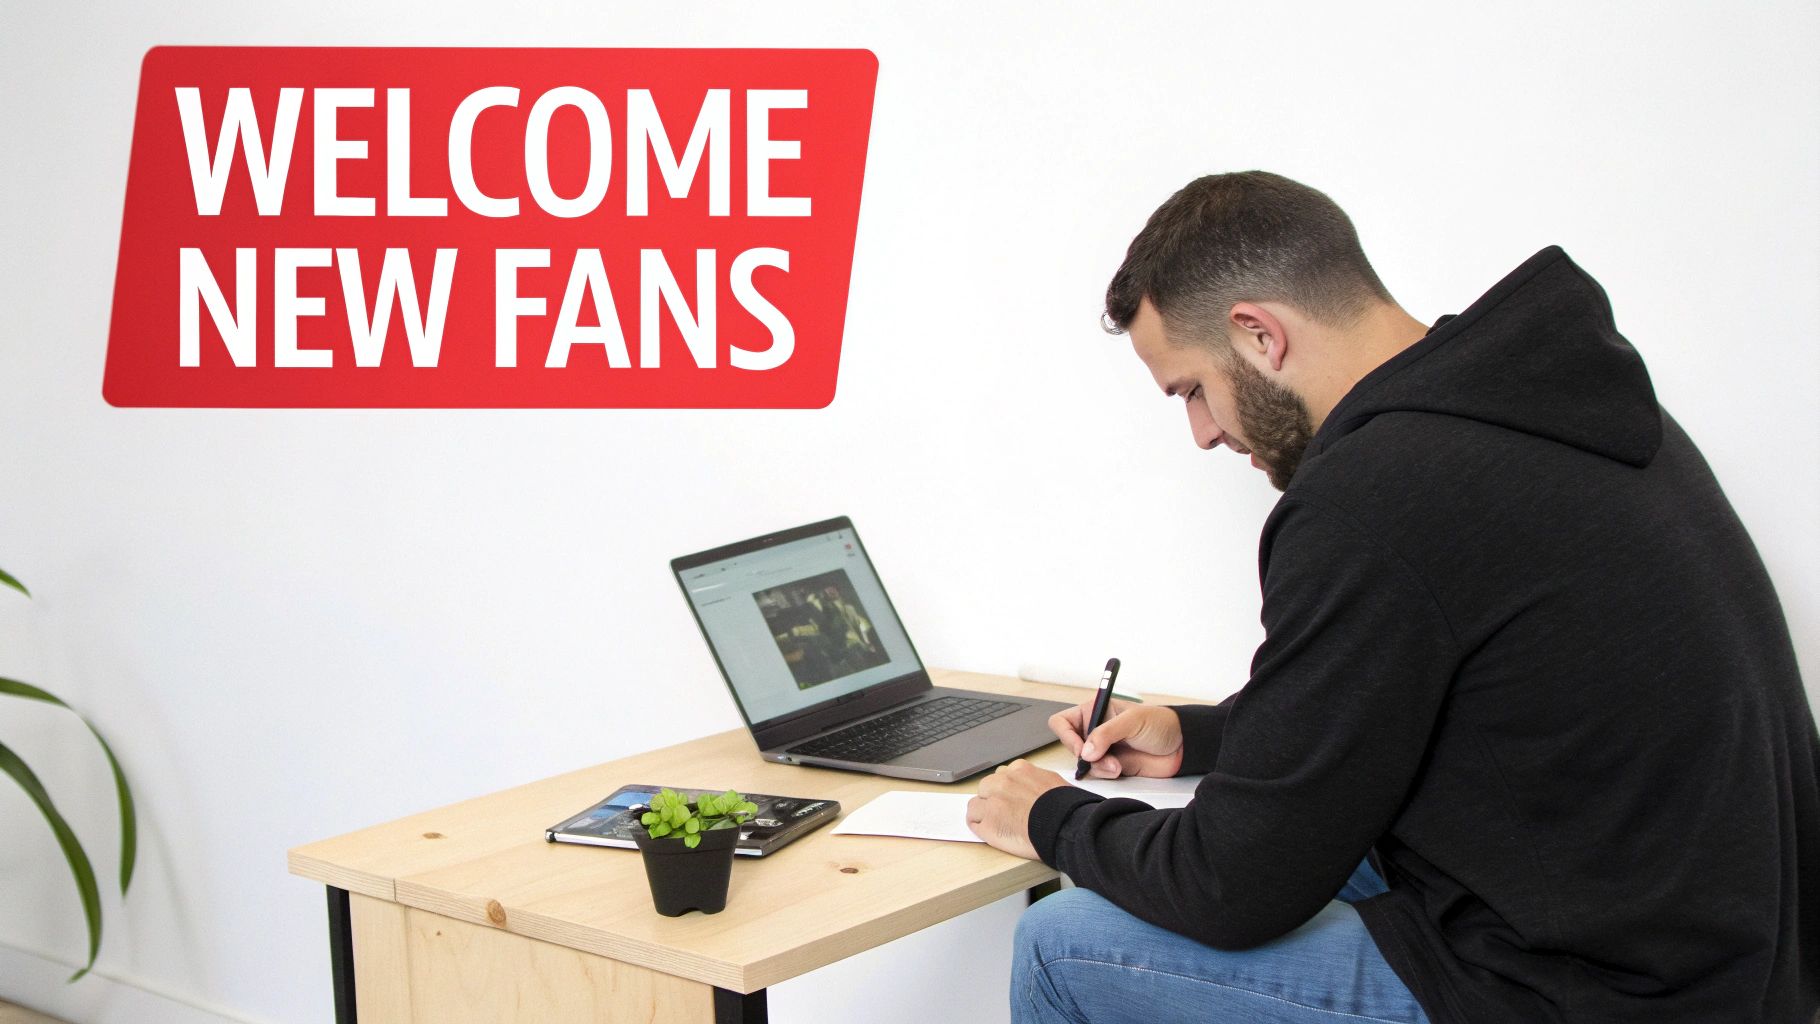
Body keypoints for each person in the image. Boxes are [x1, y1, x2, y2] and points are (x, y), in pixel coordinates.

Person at [964, 171, 1819, 1023]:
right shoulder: (1560, 409)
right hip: (1733, 963)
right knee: (1316, 845)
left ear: (1259, 334)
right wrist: (1199, 735)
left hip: (1601, 997)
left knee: (1065, 940)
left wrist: (1054, 819)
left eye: (1191, 389)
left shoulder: (1374, 496)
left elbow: (1231, 887)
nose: (1203, 433)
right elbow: (1416, 701)